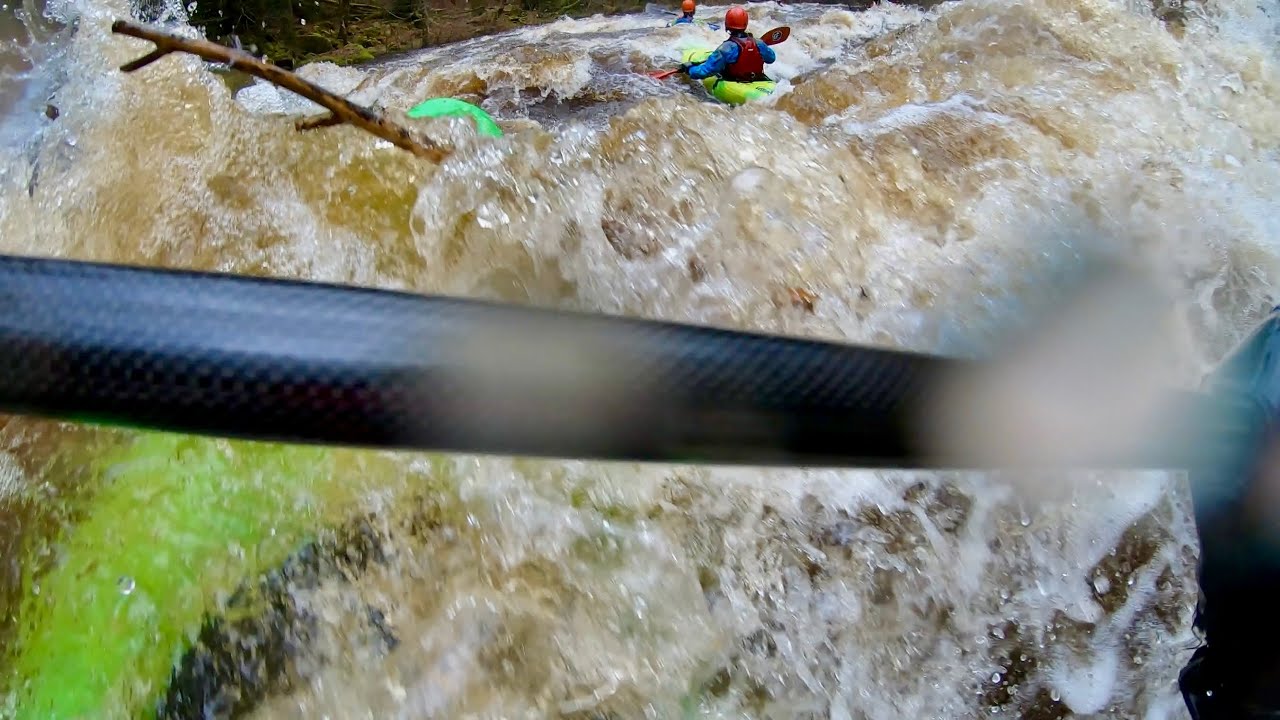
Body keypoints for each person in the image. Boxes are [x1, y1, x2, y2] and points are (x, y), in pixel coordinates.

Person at [678, 6, 776, 83]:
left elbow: (706, 71)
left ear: (727, 24)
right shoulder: (759, 43)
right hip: (757, 79)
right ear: (745, 24)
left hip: (735, 82)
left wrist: (690, 69)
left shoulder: (726, 48)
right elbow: (771, 58)